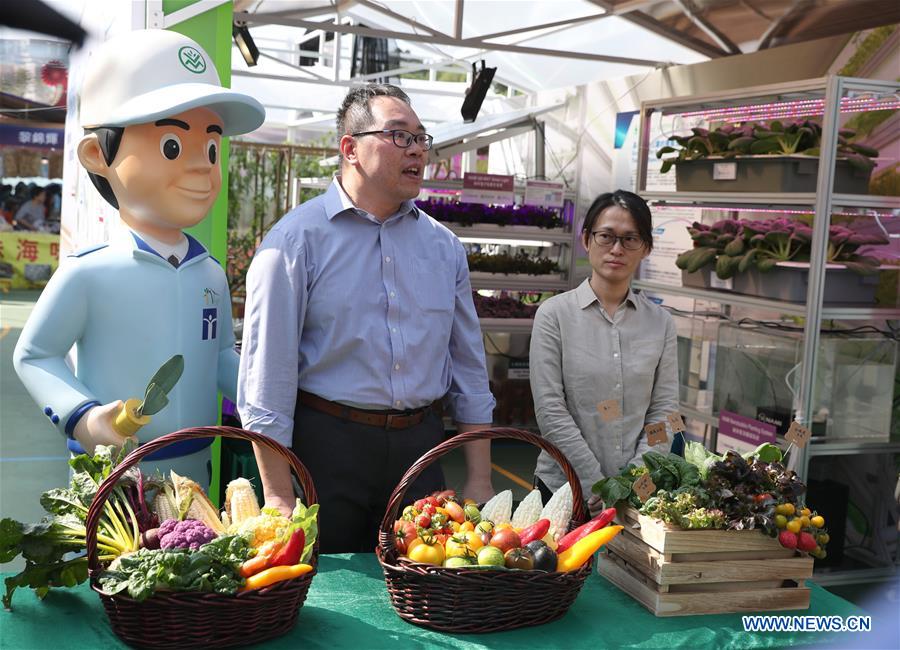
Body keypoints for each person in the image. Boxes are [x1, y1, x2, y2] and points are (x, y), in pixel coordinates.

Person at [238, 83, 496, 553]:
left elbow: (469, 369)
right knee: (328, 591)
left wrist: (480, 476)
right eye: (399, 136)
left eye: (422, 138)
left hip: (422, 449)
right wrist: (276, 493)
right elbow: (266, 379)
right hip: (327, 447)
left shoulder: (443, 248)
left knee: (428, 580)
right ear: (350, 149)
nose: (417, 149)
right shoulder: (295, 242)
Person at [14, 30, 265, 483]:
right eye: (172, 146)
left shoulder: (209, 272)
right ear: (97, 154)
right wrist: (82, 416)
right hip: (114, 473)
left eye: (211, 148)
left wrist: (261, 396)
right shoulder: (89, 272)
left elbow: (220, 354)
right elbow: (35, 354)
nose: (202, 167)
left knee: (196, 552)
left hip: (197, 463)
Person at [529, 190, 678, 515]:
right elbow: (550, 411)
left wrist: (635, 479)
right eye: (606, 236)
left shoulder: (661, 324)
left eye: (630, 239)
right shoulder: (554, 315)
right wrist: (598, 484)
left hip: (637, 496)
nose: (616, 249)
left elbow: (666, 412)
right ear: (586, 239)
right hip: (563, 491)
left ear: (646, 248)